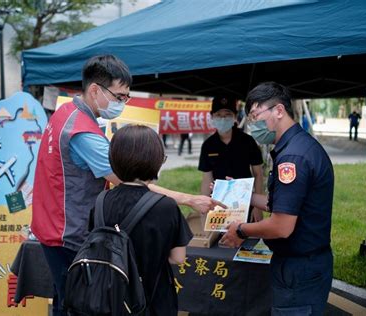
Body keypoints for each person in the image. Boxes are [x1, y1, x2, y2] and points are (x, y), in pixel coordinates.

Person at [31, 55, 222, 316]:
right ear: (95, 90)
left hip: (53, 225)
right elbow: (130, 182)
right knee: (79, 303)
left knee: (67, 300)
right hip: (69, 234)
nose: (122, 103)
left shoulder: (66, 113)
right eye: (120, 96)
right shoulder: (82, 133)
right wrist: (187, 199)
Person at [220, 82, 334, 316]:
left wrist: (240, 230)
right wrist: (241, 194)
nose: (253, 125)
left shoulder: (292, 157)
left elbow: (281, 226)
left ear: (279, 111)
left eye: (255, 116)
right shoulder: (299, 146)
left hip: (299, 269)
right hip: (305, 264)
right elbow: (281, 204)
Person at [89, 125, 193, 315]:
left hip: (108, 299)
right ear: (156, 160)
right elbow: (178, 258)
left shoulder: (101, 201)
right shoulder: (165, 206)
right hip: (152, 299)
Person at [199, 96, 264, 221]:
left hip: (246, 202)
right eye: (218, 114)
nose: (223, 118)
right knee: (219, 239)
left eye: (228, 114)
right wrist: (204, 207)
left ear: (235, 117)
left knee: (246, 237)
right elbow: (207, 178)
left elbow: (258, 174)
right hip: (218, 204)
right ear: (212, 116)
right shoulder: (208, 145)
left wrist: (258, 207)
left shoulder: (248, 141)